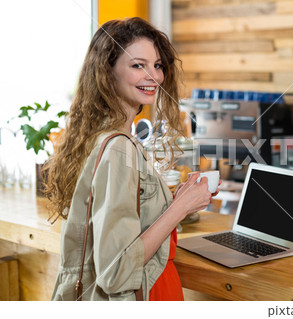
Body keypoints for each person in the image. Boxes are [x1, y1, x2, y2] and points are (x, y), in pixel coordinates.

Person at [44, 17, 215, 301]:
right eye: (138, 65)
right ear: (107, 72)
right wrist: (180, 208)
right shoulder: (117, 148)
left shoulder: (98, 136)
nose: (154, 76)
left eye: (157, 65)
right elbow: (116, 271)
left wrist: (179, 201)